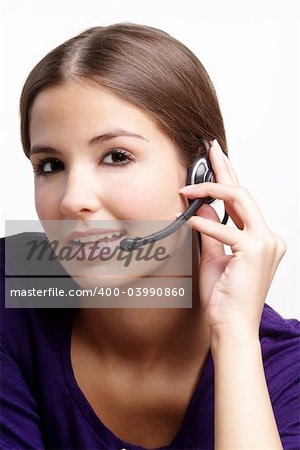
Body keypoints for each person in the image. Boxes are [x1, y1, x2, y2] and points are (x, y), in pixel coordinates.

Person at [1, 22, 299, 450]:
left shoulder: (286, 369)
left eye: (116, 156)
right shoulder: (13, 289)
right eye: (50, 165)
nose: (72, 200)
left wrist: (234, 337)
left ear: (204, 175)